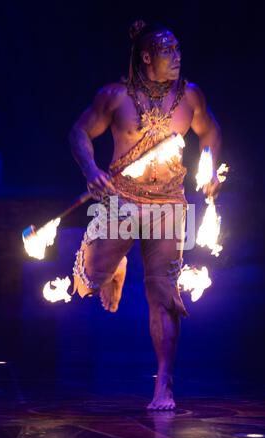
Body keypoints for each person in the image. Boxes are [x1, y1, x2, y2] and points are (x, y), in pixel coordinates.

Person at [69, 20, 221, 410]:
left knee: (163, 294)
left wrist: (209, 170)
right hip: (121, 201)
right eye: (167, 50)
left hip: (170, 205)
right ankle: (112, 265)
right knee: (90, 278)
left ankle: (164, 385)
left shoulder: (190, 96)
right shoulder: (115, 96)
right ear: (146, 56)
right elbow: (79, 133)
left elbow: (210, 134)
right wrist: (91, 170)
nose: (177, 55)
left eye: (178, 48)